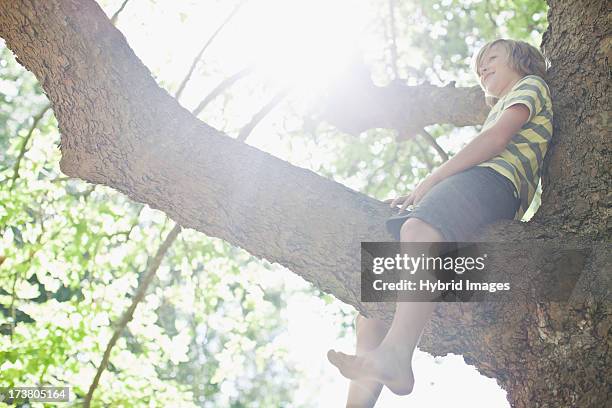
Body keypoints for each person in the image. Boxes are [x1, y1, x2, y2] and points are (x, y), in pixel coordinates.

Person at [327, 38, 554, 407]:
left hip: (495, 182)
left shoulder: (530, 85)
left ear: (521, 60)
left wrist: (431, 182)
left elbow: (496, 141)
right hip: (475, 189)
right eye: (479, 68)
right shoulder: (502, 104)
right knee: (374, 303)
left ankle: (398, 355)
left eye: (491, 59)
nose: (482, 70)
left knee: (416, 230)